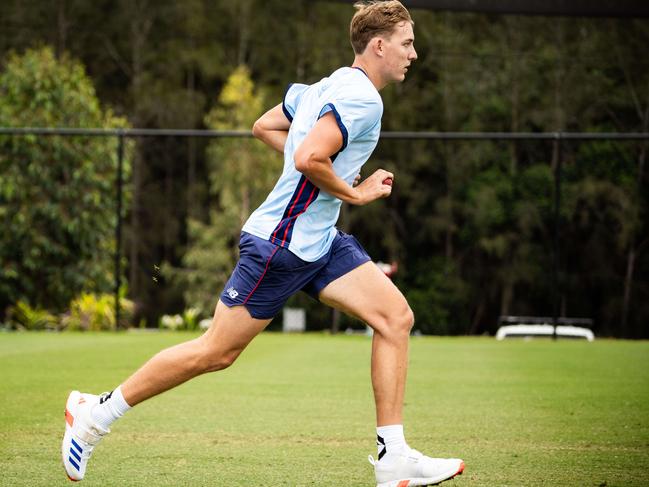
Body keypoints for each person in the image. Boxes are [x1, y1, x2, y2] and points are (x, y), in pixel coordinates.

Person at [61, 1, 464, 485]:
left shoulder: (328, 84)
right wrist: (354, 191)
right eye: (407, 43)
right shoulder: (363, 99)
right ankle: (94, 415)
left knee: (395, 318)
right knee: (215, 352)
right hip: (280, 245)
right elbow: (309, 157)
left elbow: (265, 126)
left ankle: (393, 456)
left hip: (318, 243)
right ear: (379, 46)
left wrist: (326, 172)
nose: (413, 54)